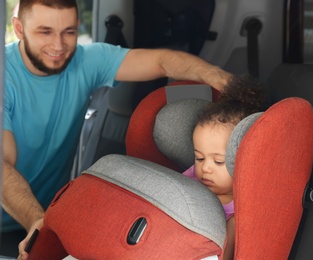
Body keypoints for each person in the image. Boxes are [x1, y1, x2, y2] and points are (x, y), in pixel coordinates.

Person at [1, 0, 231, 258]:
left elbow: (163, 62)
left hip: (47, 217)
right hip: (21, 218)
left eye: (69, 32)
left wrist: (220, 78)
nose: (58, 46)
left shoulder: (85, 60)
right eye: (45, 32)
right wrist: (38, 221)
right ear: (19, 29)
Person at [182, 74, 267, 260]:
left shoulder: (238, 213)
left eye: (219, 162)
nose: (205, 168)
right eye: (199, 158)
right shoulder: (191, 179)